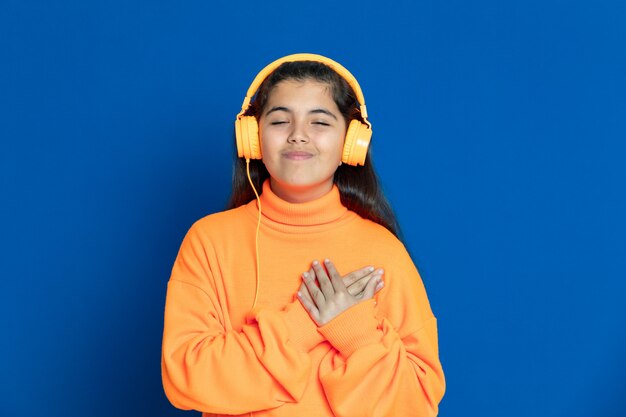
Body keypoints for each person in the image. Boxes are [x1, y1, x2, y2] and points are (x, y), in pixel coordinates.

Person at [161, 53, 445, 417]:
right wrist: (304, 324)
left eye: (320, 122)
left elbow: (417, 403)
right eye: (280, 121)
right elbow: (187, 377)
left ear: (350, 142)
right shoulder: (210, 242)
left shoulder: (384, 252)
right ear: (252, 137)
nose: (298, 135)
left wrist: (354, 333)